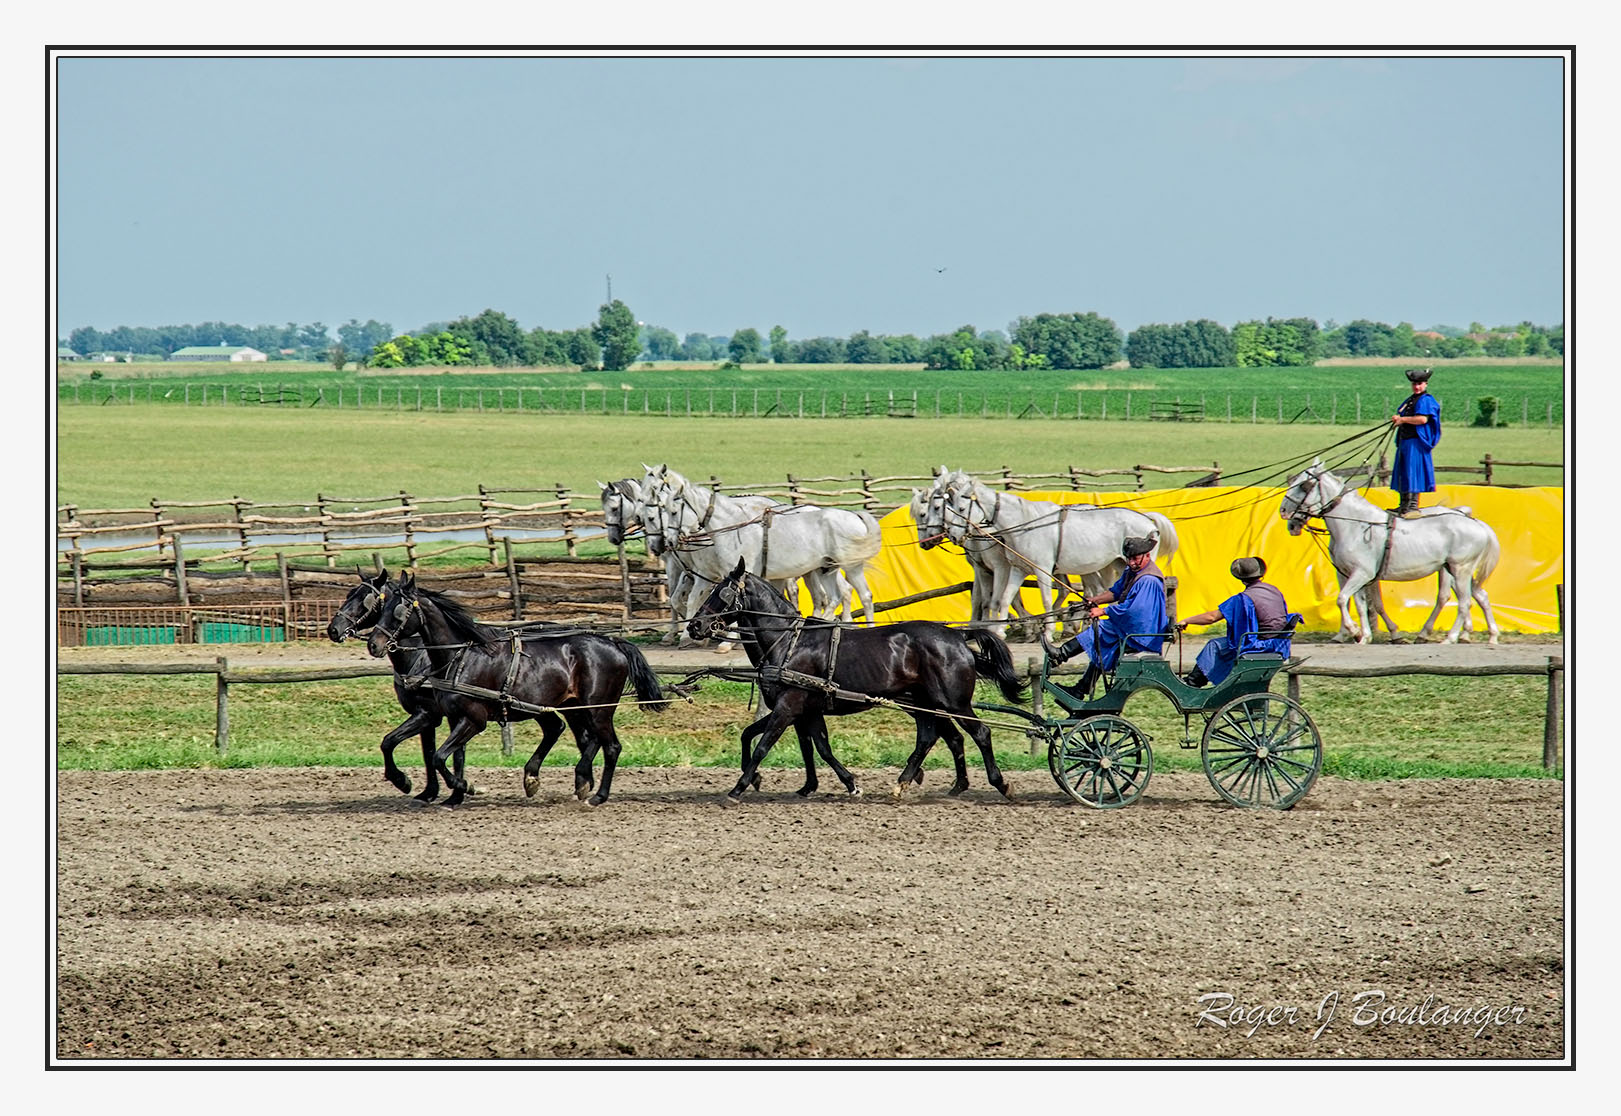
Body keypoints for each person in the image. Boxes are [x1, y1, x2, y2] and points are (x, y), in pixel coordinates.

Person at [1046, 534, 1168, 698]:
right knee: (1103, 643)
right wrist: (1095, 600)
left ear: (1147, 555)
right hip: (1135, 626)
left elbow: (1134, 611)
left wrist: (1103, 611)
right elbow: (1116, 592)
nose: (1131, 563)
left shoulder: (1148, 580)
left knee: (1101, 629)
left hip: (1144, 632)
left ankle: (1061, 654)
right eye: (1128, 558)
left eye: (1135, 558)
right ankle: (1081, 688)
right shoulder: (1132, 571)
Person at [1177, 556, 1295, 688]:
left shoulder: (1243, 598)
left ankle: (1192, 683)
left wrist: (1186, 620)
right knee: (1222, 646)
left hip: (1258, 645)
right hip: (1277, 642)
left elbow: (1211, 617)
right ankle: (1200, 681)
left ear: (1240, 578)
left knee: (1214, 645)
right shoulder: (1274, 591)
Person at [1391, 368, 1442, 518]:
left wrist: (1402, 420)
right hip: (1405, 441)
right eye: (1414, 384)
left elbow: (1422, 419)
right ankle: (1403, 505)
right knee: (1403, 472)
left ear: (1425, 384)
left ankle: (1412, 506)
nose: (1416, 387)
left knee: (1413, 473)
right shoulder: (1410, 400)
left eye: (1419, 384)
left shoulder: (1426, 400)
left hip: (1416, 442)